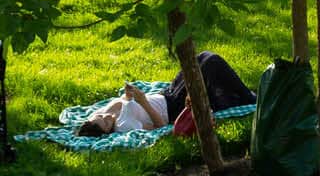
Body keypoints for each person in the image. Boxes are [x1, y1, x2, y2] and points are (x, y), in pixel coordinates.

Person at [75, 52, 255, 137]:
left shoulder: (96, 118)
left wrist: (128, 94)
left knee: (199, 58)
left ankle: (226, 98)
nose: (106, 115)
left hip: (166, 94)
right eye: (106, 121)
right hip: (173, 107)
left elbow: (121, 103)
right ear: (107, 131)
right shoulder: (125, 126)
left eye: (100, 115)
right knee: (210, 63)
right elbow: (161, 127)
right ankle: (249, 98)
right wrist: (143, 101)